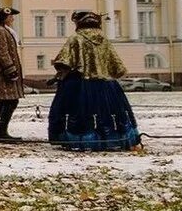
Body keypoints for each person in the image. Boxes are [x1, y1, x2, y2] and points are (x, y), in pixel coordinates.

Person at [48, 10, 141, 150]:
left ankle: (79, 139)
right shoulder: (104, 39)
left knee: (77, 112)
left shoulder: (76, 38)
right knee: (110, 113)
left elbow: (64, 61)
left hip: (80, 86)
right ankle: (113, 138)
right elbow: (117, 65)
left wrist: (59, 70)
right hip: (106, 86)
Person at [0, 7, 24, 143]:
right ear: (4, 17)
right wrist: (10, 69)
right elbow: (2, 52)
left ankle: (1, 130)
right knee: (10, 100)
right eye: (11, 16)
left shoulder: (0, 30)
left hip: (2, 71)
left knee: (3, 101)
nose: (12, 19)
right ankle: (1, 131)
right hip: (2, 73)